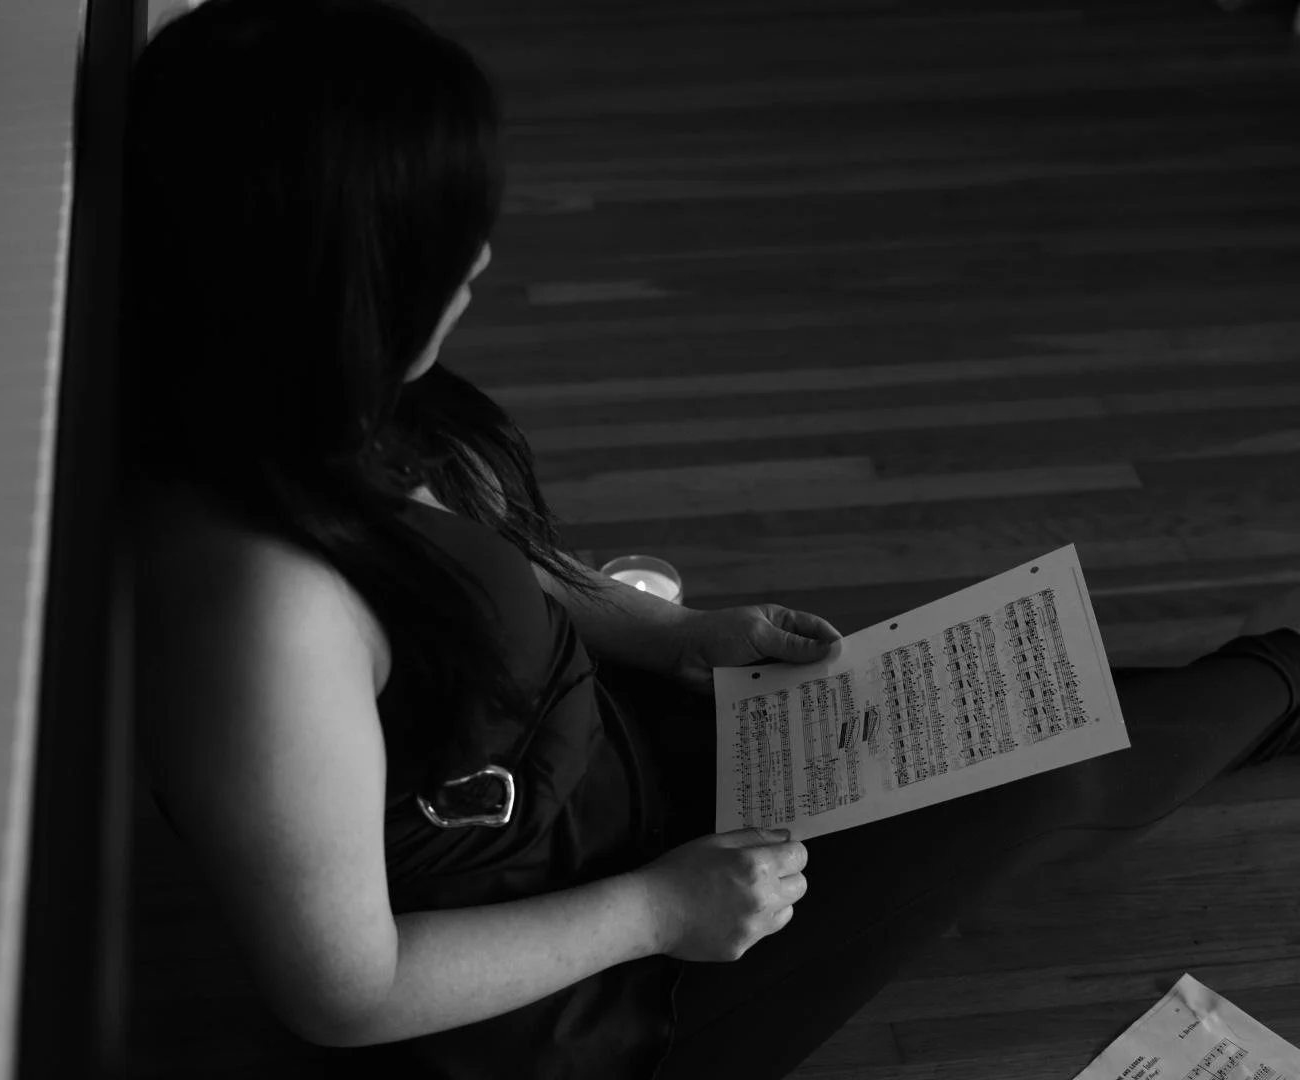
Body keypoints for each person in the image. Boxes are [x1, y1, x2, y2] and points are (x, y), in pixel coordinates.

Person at [117, 2, 1300, 1078]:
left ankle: (1270, 689)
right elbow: (342, 990)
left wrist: (666, 629)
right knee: (1039, 789)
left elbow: (461, 556)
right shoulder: (257, 618)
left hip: (594, 782)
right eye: (445, 242)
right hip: (570, 1004)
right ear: (334, 278)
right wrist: (657, 915)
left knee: (1005, 735)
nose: (479, 262)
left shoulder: (278, 394)